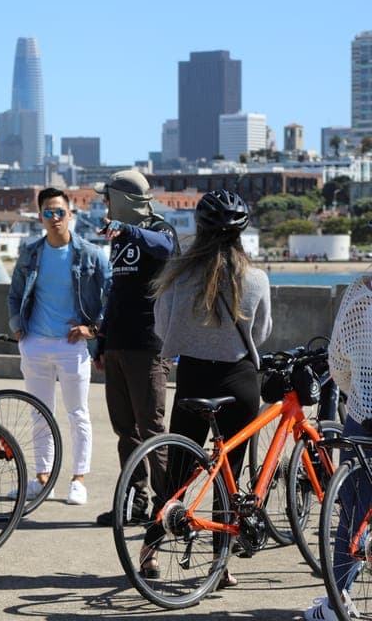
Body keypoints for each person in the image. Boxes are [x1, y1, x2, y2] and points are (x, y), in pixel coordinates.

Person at [143, 189, 271, 588]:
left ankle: (147, 554)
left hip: (195, 378)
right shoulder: (256, 278)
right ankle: (221, 566)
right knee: (229, 477)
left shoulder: (178, 275)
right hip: (239, 380)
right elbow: (262, 333)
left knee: (180, 473)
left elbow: (162, 327)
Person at [7, 187, 111, 505]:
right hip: (35, 344)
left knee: (77, 413)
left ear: (71, 214)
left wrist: (93, 330)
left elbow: (111, 295)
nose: (55, 218)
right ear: (40, 217)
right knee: (40, 414)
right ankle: (43, 478)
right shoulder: (30, 252)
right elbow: (14, 294)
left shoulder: (91, 254)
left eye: (60, 212)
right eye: (48, 213)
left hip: (73, 347)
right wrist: (17, 328)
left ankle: (78, 479)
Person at [93, 170, 179, 527]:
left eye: (108, 197)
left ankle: (168, 507)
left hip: (147, 346)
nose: (104, 204)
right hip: (117, 345)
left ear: (124, 200)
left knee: (152, 430)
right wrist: (101, 341)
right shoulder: (120, 237)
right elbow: (116, 293)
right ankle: (133, 503)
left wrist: (128, 230)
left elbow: (168, 249)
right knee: (125, 432)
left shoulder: (160, 229)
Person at [303, 271, 372, 618]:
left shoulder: (358, 292)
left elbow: (338, 361)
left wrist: (359, 390)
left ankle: (337, 600)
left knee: (350, 512)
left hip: (363, 414)